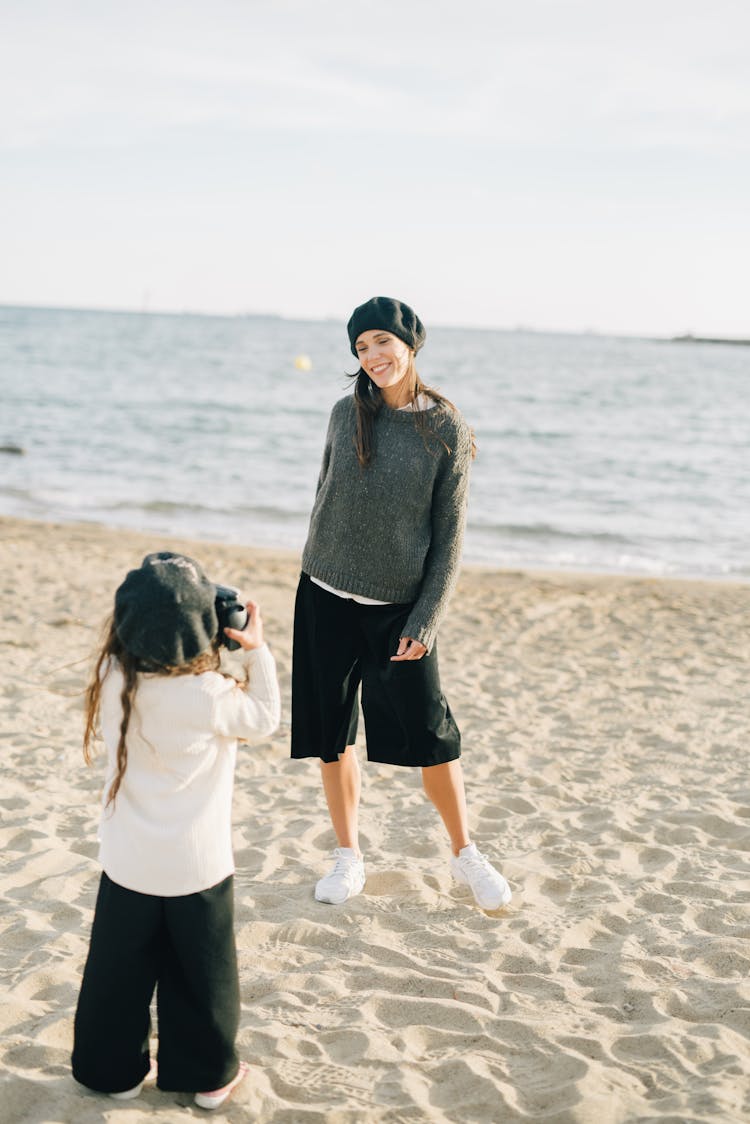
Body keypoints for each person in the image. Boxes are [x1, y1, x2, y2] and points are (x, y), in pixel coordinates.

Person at [291, 295, 512, 911]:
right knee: (331, 735)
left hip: (398, 610)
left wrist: (427, 617)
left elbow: (450, 538)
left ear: (410, 345)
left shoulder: (446, 430)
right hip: (325, 596)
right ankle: (347, 856)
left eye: (382, 343)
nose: (372, 357)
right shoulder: (344, 414)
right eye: (361, 348)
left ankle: (466, 854)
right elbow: (324, 494)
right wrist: (317, 568)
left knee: (431, 736)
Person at [71, 551, 280, 1111]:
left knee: (117, 974)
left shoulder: (111, 678)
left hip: (130, 861)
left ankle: (110, 1073)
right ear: (204, 630)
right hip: (198, 866)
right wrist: (254, 651)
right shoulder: (210, 696)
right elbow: (265, 718)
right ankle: (209, 1078)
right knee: (203, 976)